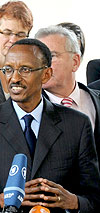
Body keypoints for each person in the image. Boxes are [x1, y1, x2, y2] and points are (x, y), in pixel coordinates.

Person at [0, 38, 100, 212]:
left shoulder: (77, 124)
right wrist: (0, 200)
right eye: (8, 69)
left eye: (25, 69)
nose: (15, 78)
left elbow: (94, 198)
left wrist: (74, 202)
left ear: (46, 74)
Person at [35, 25, 100, 159]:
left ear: (75, 62)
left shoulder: (96, 102)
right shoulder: (26, 110)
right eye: (38, 58)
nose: (42, 65)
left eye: (51, 56)